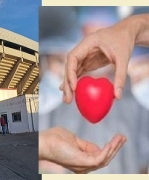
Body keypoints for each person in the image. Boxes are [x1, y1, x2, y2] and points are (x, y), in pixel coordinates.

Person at [39, 7, 149, 174]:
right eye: (90, 35)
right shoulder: (63, 90)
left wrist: (134, 28)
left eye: (106, 34)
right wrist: (45, 152)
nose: (99, 46)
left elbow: (143, 158)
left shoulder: (135, 93)